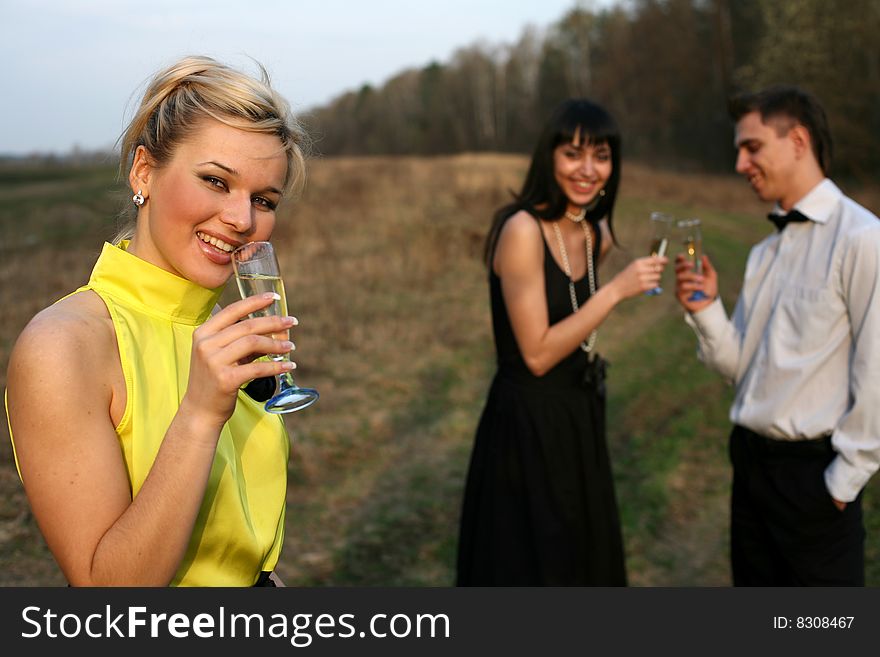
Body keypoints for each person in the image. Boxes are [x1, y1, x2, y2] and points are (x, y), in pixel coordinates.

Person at [4, 55, 310, 586]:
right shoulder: (63, 346)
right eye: (216, 181)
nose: (242, 220)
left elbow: (240, 546)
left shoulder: (218, 331)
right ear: (144, 172)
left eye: (263, 199)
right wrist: (197, 415)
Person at [456, 98, 667, 585]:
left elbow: (578, 322)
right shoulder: (522, 230)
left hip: (578, 413)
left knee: (580, 556)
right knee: (530, 562)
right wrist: (617, 290)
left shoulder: (596, 233)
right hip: (527, 423)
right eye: (574, 154)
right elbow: (536, 353)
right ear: (549, 156)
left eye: (602, 155)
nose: (588, 169)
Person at [674, 85, 880, 586]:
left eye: (752, 147)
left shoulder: (863, 238)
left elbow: (878, 370)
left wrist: (841, 483)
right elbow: (740, 369)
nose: (741, 164)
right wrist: (705, 310)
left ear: (798, 141)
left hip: (813, 482)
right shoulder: (763, 253)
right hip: (750, 471)